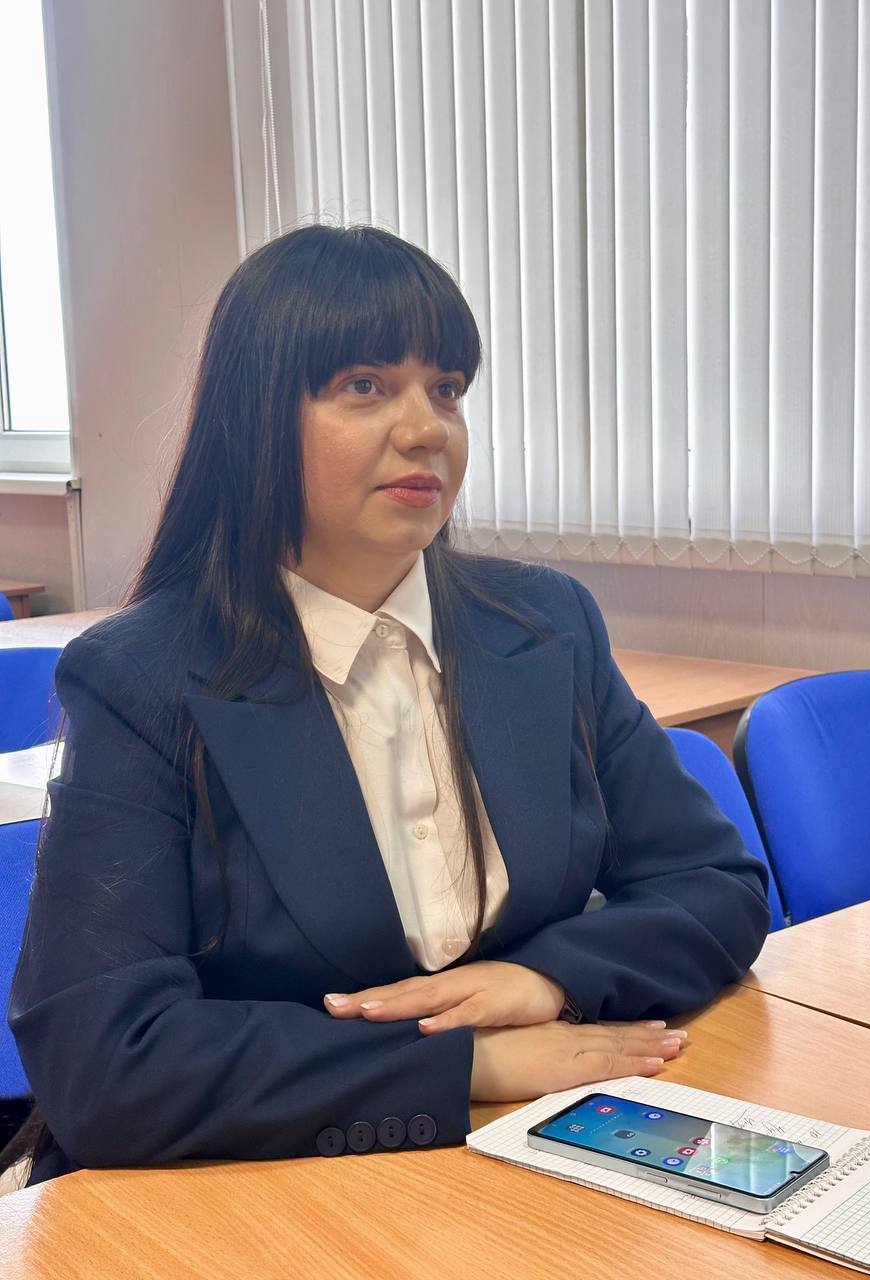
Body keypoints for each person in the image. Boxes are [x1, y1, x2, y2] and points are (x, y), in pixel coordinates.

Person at [2, 224, 770, 1190]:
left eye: (446, 389)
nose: (427, 429)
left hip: (510, 1162)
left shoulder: (546, 624)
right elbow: (106, 1061)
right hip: (250, 1189)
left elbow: (715, 884)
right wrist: (466, 1065)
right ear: (255, 419)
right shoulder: (141, 676)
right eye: (364, 385)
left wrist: (545, 980)